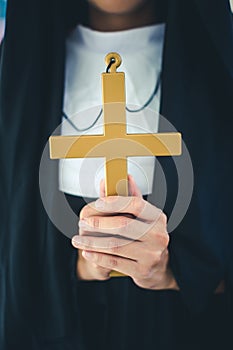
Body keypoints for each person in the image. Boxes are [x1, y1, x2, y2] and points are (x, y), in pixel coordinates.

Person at [0, 0, 232, 349]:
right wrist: (87, 261)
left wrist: (171, 271)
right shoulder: (25, 64)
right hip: (57, 324)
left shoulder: (215, 60)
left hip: (182, 328)